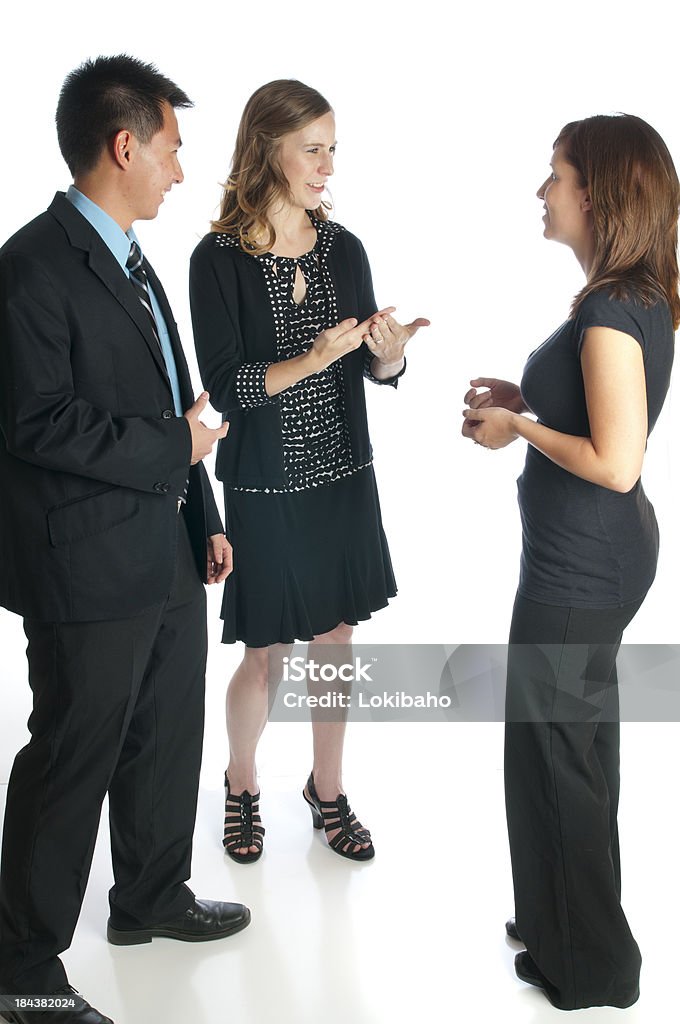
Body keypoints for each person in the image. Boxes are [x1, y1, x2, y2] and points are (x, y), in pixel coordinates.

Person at [0, 56, 250, 1024]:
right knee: (72, 755)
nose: (179, 172)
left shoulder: (135, 258)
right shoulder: (27, 267)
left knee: (162, 738)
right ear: (123, 145)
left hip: (163, 546)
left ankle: (149, 899)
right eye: (171, 150)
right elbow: (35, 421)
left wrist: (205, 515)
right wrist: (172, 448)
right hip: (83, 565)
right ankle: (20, 964)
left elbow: (171, 403)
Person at [462, 114, 678, 1009]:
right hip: (595, 560)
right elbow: (596, 416)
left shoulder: (607, 310)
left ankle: (588, 966)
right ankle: (563, 915)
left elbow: (616, 460)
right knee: (574, 750)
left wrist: (517, 428)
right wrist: (528, 401)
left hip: (577, 571)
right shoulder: (629, 297)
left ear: (596, 193)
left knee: (554, 758)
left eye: (554, 176)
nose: (542, 192)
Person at [190, 79, 428, 865]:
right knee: (264, 653)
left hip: (342, 480)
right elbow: (227, 386)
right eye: (313, 149)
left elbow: (372, 369)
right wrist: (313, 356)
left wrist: (388, 356)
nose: (327, 166)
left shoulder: (344, 249)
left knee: (336, 638)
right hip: (262, 486)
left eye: (332, 149)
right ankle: (243, 781)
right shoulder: (215, 260)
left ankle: (326, 790)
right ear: (269, 151)